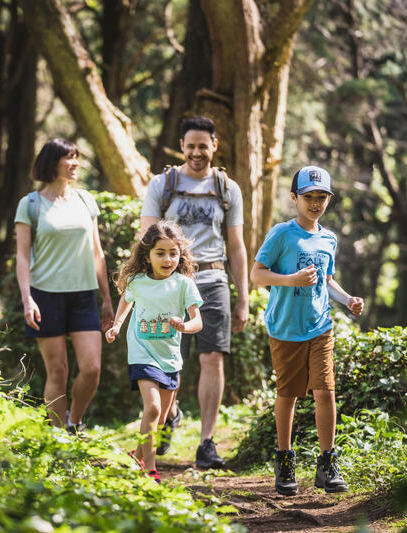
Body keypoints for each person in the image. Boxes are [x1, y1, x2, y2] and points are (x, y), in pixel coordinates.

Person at [140, 115, 248, 469]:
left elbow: (236, 246)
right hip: (169, 283)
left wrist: (243, 297)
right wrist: (142, 288)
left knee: (212, 357)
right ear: (182, 146)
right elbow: (146, 241)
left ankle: (206, 443)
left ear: (215, 146)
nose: (197, 152)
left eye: (204, 146)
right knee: (169, 357)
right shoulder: (162, 184)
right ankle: (169, 417)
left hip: (213, 280)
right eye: (191, 146)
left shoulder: (227, 189)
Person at [250, 165, 364, 496]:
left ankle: (327, 463)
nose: (315, 204)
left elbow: (327, 280)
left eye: (321, 198)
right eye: (309, 197)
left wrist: (347, 300)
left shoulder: (329, 238)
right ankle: (284, 460)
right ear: (294, 198)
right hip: (285, 328)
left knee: (325, 392)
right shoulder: (282, 234)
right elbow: (257, 275)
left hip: (319, 325)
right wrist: (290, 281)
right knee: (288, 395)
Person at [14, 138, 114, 434]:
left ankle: (75, 420)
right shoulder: (30, 204)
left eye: (77, 157)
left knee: (92, 368)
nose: (75, 164)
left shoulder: (85, 200)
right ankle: (59, 438)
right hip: (45, 297)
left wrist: (107, 297)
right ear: (51, 162)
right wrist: (27, 299)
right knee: (57, 371)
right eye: (68, 158)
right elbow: (22, 256)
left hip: (83, 296)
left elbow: (97, 252)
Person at [105, 220, 203, 483]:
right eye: (160, 253)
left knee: (159, 419)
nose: (167, 259)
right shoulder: (138, 281)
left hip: (170, 358)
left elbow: (198, 321)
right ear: (147, 256)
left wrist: (184, 325)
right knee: (153, 408)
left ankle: (136, 455)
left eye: (173, 253)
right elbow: (126, 299)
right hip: (142, 353)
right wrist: (116, 325)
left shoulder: (184, 284)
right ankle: (150, 468)